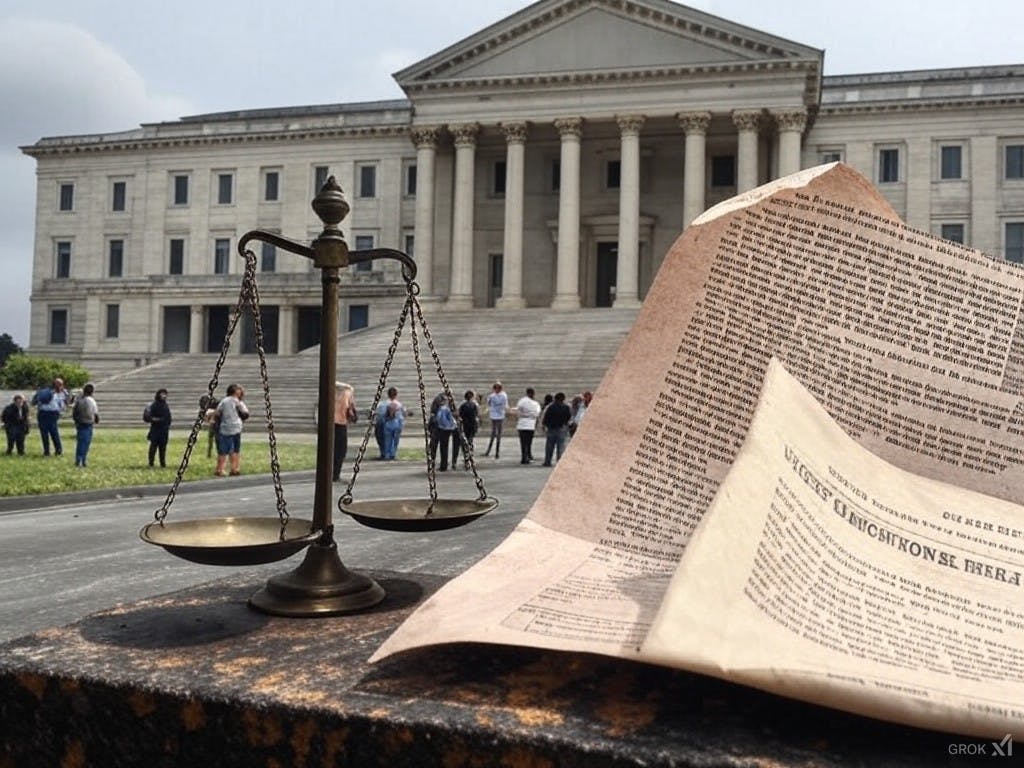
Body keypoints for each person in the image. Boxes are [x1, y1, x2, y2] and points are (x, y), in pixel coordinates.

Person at [214, 383, 249, 476]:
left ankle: (221, 469)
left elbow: (217, 413)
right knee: (235, 450)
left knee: (224, 450)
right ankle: (234, 468)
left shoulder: (225, 401)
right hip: (234, 427)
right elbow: (246, 414)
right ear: (234, 391)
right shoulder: (237, 401)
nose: (241, 391)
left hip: (227, 427)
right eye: (239, 389)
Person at [32, 377, 69, 456]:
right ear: (54, 384)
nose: (61, 386)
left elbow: (64, 404)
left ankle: (58, 450)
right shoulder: (46, 391)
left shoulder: (62, 393)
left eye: (61, 384)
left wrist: (66, 397)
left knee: (54, 433)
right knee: (44, 434)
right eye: (59, 384)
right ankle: (46, 451)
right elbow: (40, 400)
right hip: (43, 413)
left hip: (53, 414)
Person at [333, 381, 358, 481]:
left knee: (333, 449)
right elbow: (351, 411)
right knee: (341, 450)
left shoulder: (332, 395)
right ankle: (335, 474)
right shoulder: (348, 393)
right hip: (340, 423)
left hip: (330, 423)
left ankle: (332, 473)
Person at [72, 383, 100, 468]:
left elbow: (74, 412)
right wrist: (96, 420)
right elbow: (95, 414)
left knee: (80, 442)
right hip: (88, 423)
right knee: (86, 442)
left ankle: (78, 459)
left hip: (80, 423)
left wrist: (76, 420)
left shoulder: (79, 401)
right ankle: (82, 460)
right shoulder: (91, 401)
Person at [542, 392, 572, 466]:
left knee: (549, 446)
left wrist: (546, 425)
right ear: (563, 399)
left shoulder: (551, 407)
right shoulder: (566, 407)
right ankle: (559, 462)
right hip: (562, 428)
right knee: (561, 446)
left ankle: (547, 461)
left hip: (551, 428)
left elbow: (546, 417)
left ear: (555, 399)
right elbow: (569, 417)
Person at [144, 388, 172, 468]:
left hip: (164, 430)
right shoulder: (153, 405)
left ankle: (162, 463)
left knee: (163, 448)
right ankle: (151, 463)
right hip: (155, 430)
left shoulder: (165, 406)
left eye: (165, 394)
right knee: (153, 447)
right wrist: (156, 420)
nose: (164, 396)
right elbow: (147, 417)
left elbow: (168, 418)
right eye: (162, 394)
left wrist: (166, 423)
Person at [453, 389, 479, 468]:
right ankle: (469, 459)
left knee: (464, 443)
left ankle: (465, 459)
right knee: (470, 442)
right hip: (472, 426)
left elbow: (459, 415)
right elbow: (476, 415)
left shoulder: (462, 405)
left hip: (464, 426)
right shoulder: (474, 405)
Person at [514, 387, 541, 464]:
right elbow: (537, 413)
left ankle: (524, 457)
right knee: (529, 442)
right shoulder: (535, 403)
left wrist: (523, 414)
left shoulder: (521, 401)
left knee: (523, 442)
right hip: (531, 424)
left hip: (522, 424)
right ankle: (528, 455)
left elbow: (518, 411)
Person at [482, 381, 508, 459]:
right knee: (496, 434)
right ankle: (495, 452)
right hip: (498, 415)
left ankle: (493, 451)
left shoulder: (492, 396)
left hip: (495, 415)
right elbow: (505, 405)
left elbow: (489, 404)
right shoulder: (503, 395)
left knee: (495, 434)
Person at [382, 386, 406, 460]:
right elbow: (404, 413)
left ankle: (387, 454)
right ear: (396, 395)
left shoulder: (383, 404)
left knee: (387, 440)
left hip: (387, 423)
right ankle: (393, 453)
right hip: (397, 423)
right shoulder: (399, 404)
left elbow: (381, 414)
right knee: (395, 440)